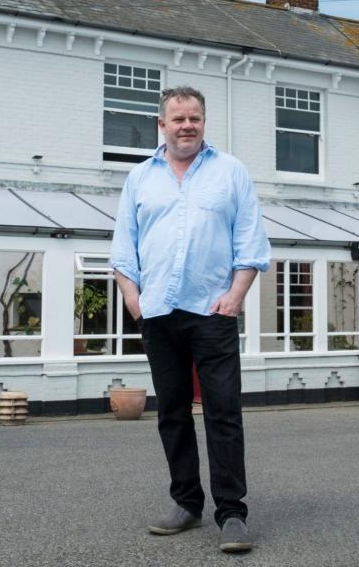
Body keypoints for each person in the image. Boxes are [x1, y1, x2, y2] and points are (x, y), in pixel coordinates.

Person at [110, 85, 270, 554]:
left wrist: (235, 296)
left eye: (194, 118)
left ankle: (232, 513)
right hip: (158, 312)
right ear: (162, 125)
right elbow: (124, 245)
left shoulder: (231, 172)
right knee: (173, 413)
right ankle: (186, 502)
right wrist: (133, 299)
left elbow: (251, 240)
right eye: (177, 118)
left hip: (212, 311)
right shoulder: (140, 177)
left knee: (223, 412)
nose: (187, 125)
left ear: (204, 122)